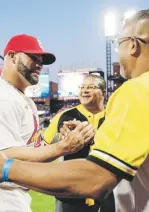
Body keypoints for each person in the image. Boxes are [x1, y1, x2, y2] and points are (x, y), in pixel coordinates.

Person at [0, 9, 149, 212]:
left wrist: (6, 168)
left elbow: (95, 180)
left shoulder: (139, 90)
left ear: (133, 46)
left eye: (120, 44)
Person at [0, 34, 94, 212]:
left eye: (41, 60)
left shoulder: (21, 98)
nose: (39, 64)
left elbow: (33, 149)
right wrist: (63, 147)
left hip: (13, 196)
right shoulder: (0, 99)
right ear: (12, 57)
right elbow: (4, 157)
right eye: (33, 57)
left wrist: (59, 138)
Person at [43, 74, 115, 212]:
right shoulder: (64, 117)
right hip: (71, 193)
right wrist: (60, 140)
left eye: (91, 87)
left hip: (108, 191)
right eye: (82, 87)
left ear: (103, 93)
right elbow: (43, 148)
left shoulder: (113, 117)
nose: (85, 90)